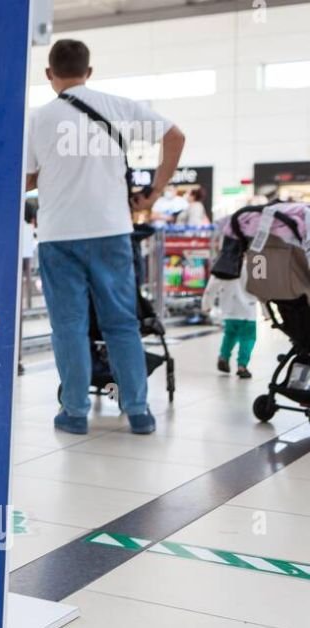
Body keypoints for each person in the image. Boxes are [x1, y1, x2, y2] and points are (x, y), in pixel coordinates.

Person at [25, 39, 186, 435]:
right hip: (112, 231)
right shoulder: (119, 106)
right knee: (121, 324)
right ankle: (138, 411)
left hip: (58, 235)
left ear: (49, 75)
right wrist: (155, 192)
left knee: (69, 326)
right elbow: (175, 136)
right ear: (89, 71)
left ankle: (75, 412)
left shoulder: (37, 119)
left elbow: (26, 178)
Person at [204, 266, 259, 379]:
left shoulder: (226, 261)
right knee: (248, 338)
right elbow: (262, 286)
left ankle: (223, 357)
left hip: (228, 308)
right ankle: (242, 366)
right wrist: (267, 310)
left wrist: (207, 303)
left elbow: (213, 283)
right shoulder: (255, 261)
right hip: (248, 309)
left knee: (230, 335)